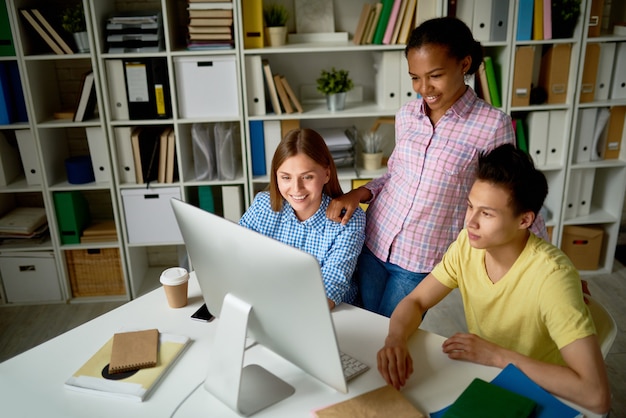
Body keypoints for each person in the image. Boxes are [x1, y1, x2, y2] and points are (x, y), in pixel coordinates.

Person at [327, 16, 546, 317]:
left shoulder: (492, 125)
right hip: (374, 239)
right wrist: (360, 193)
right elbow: (395, 174)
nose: (424, 88)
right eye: (415, 77)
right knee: (359, 324)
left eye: (435, 75)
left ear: (464, 64)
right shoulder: (406, 116)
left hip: (421, 258)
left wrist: (550, 267)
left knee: (390, 333)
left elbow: (514, 195)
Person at [376, 144, 611, 414]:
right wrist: (395, 338)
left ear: (524, 220)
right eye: (470, 207)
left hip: (542, 394)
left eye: (486, 213)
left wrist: (497, 355)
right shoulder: (467, 244)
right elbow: (416, 300)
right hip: (491, 380)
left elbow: (595, 395)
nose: (470, 222)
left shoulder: (552, 277)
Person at [239, 128, 366, 310]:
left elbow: (330, 286)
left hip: (329, 313)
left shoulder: (349, 220)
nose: (296, 188)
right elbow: (237, 254)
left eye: (307, 177)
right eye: (286, 177)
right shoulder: (262, 205)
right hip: (269, 301)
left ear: (326, 174)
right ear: (276, 176)